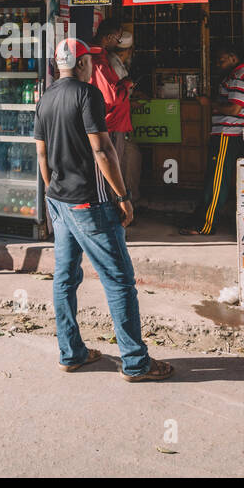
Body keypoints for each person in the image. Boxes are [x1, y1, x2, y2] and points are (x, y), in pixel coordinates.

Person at [33, 37, 172, 382]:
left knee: (65, 279)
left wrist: (52, 194)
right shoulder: (88, 95)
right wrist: (123, 196)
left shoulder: (45, 98)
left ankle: (71, 353)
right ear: (81, 63)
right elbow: (103, 150)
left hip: (59, 202)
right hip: (89, 204)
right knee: (119, 281)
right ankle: (136, 363)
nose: (94, 66)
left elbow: (41, 154)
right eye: (91, 61)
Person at [180, 40, 244, 236]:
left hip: (228, 136)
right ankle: (200, 217)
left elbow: (234, 109)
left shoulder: (239, 77)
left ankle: (207, 224)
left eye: (222, 60)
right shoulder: (235, 76)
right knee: (213, 179)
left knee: (217, 182)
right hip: (224, 135)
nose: (218, 64)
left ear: (233, 58)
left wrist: (209, 104)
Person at [89, 18, 137, 206]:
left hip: (113, 122)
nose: (117, 44)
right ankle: (114, 208)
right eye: (117, 39)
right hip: (111, 123)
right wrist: (127, 83)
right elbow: (112, 97)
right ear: (108, 37)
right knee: (111, 169)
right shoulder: (98, 59)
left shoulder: (99, 56)